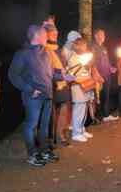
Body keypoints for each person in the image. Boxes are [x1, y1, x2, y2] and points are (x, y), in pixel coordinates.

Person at [9, 25, 74, 167]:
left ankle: (44, 151)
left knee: (44, 126)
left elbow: (52, 74)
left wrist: (64, 77)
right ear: (37, 36)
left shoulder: (46, 53)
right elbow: (13, 75)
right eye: (45, 35)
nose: (47, 37)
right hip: (33, 97)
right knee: (31, 125)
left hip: (48, 95)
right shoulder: (23, 54)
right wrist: (29, 89)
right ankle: (32, 155)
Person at [67, 38, 104, 142]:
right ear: (77, 46)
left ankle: (81, 130)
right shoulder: (73, 58)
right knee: (78, 110)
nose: (85, 47)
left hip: (87, 85)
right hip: (78, 87)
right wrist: (82, 67)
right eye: (83, 45)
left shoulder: (84, 57)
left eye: (85, 45)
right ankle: (76, 133)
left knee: (84, 110)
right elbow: (73, 74)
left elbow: (87, 70)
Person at [44, 24, 71, 145]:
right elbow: (47, 69)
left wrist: (66, 69)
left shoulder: (58, 49)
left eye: (56, 33)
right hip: (52, 84)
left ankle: (60, 135)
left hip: (63, 83)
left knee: (64, 110)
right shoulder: (44, 50)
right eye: (52, 33)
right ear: (46, 34)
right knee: (52, 113)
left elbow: (63, 64)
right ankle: (52, 137)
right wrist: (61, 73)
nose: (55, 35)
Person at [92, 29, 119, 122]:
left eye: (103, 35)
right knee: (99, 97)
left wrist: (111, 68)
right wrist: (97, 75)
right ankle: (98, 117)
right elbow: (93, 63)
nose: (102, 37)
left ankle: (106, 115)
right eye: (100, 35)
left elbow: (106, 62)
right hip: (99, 77)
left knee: (106, 96)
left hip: (107, 75)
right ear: (95, 36)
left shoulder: (104, 48)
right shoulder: (93, 48)